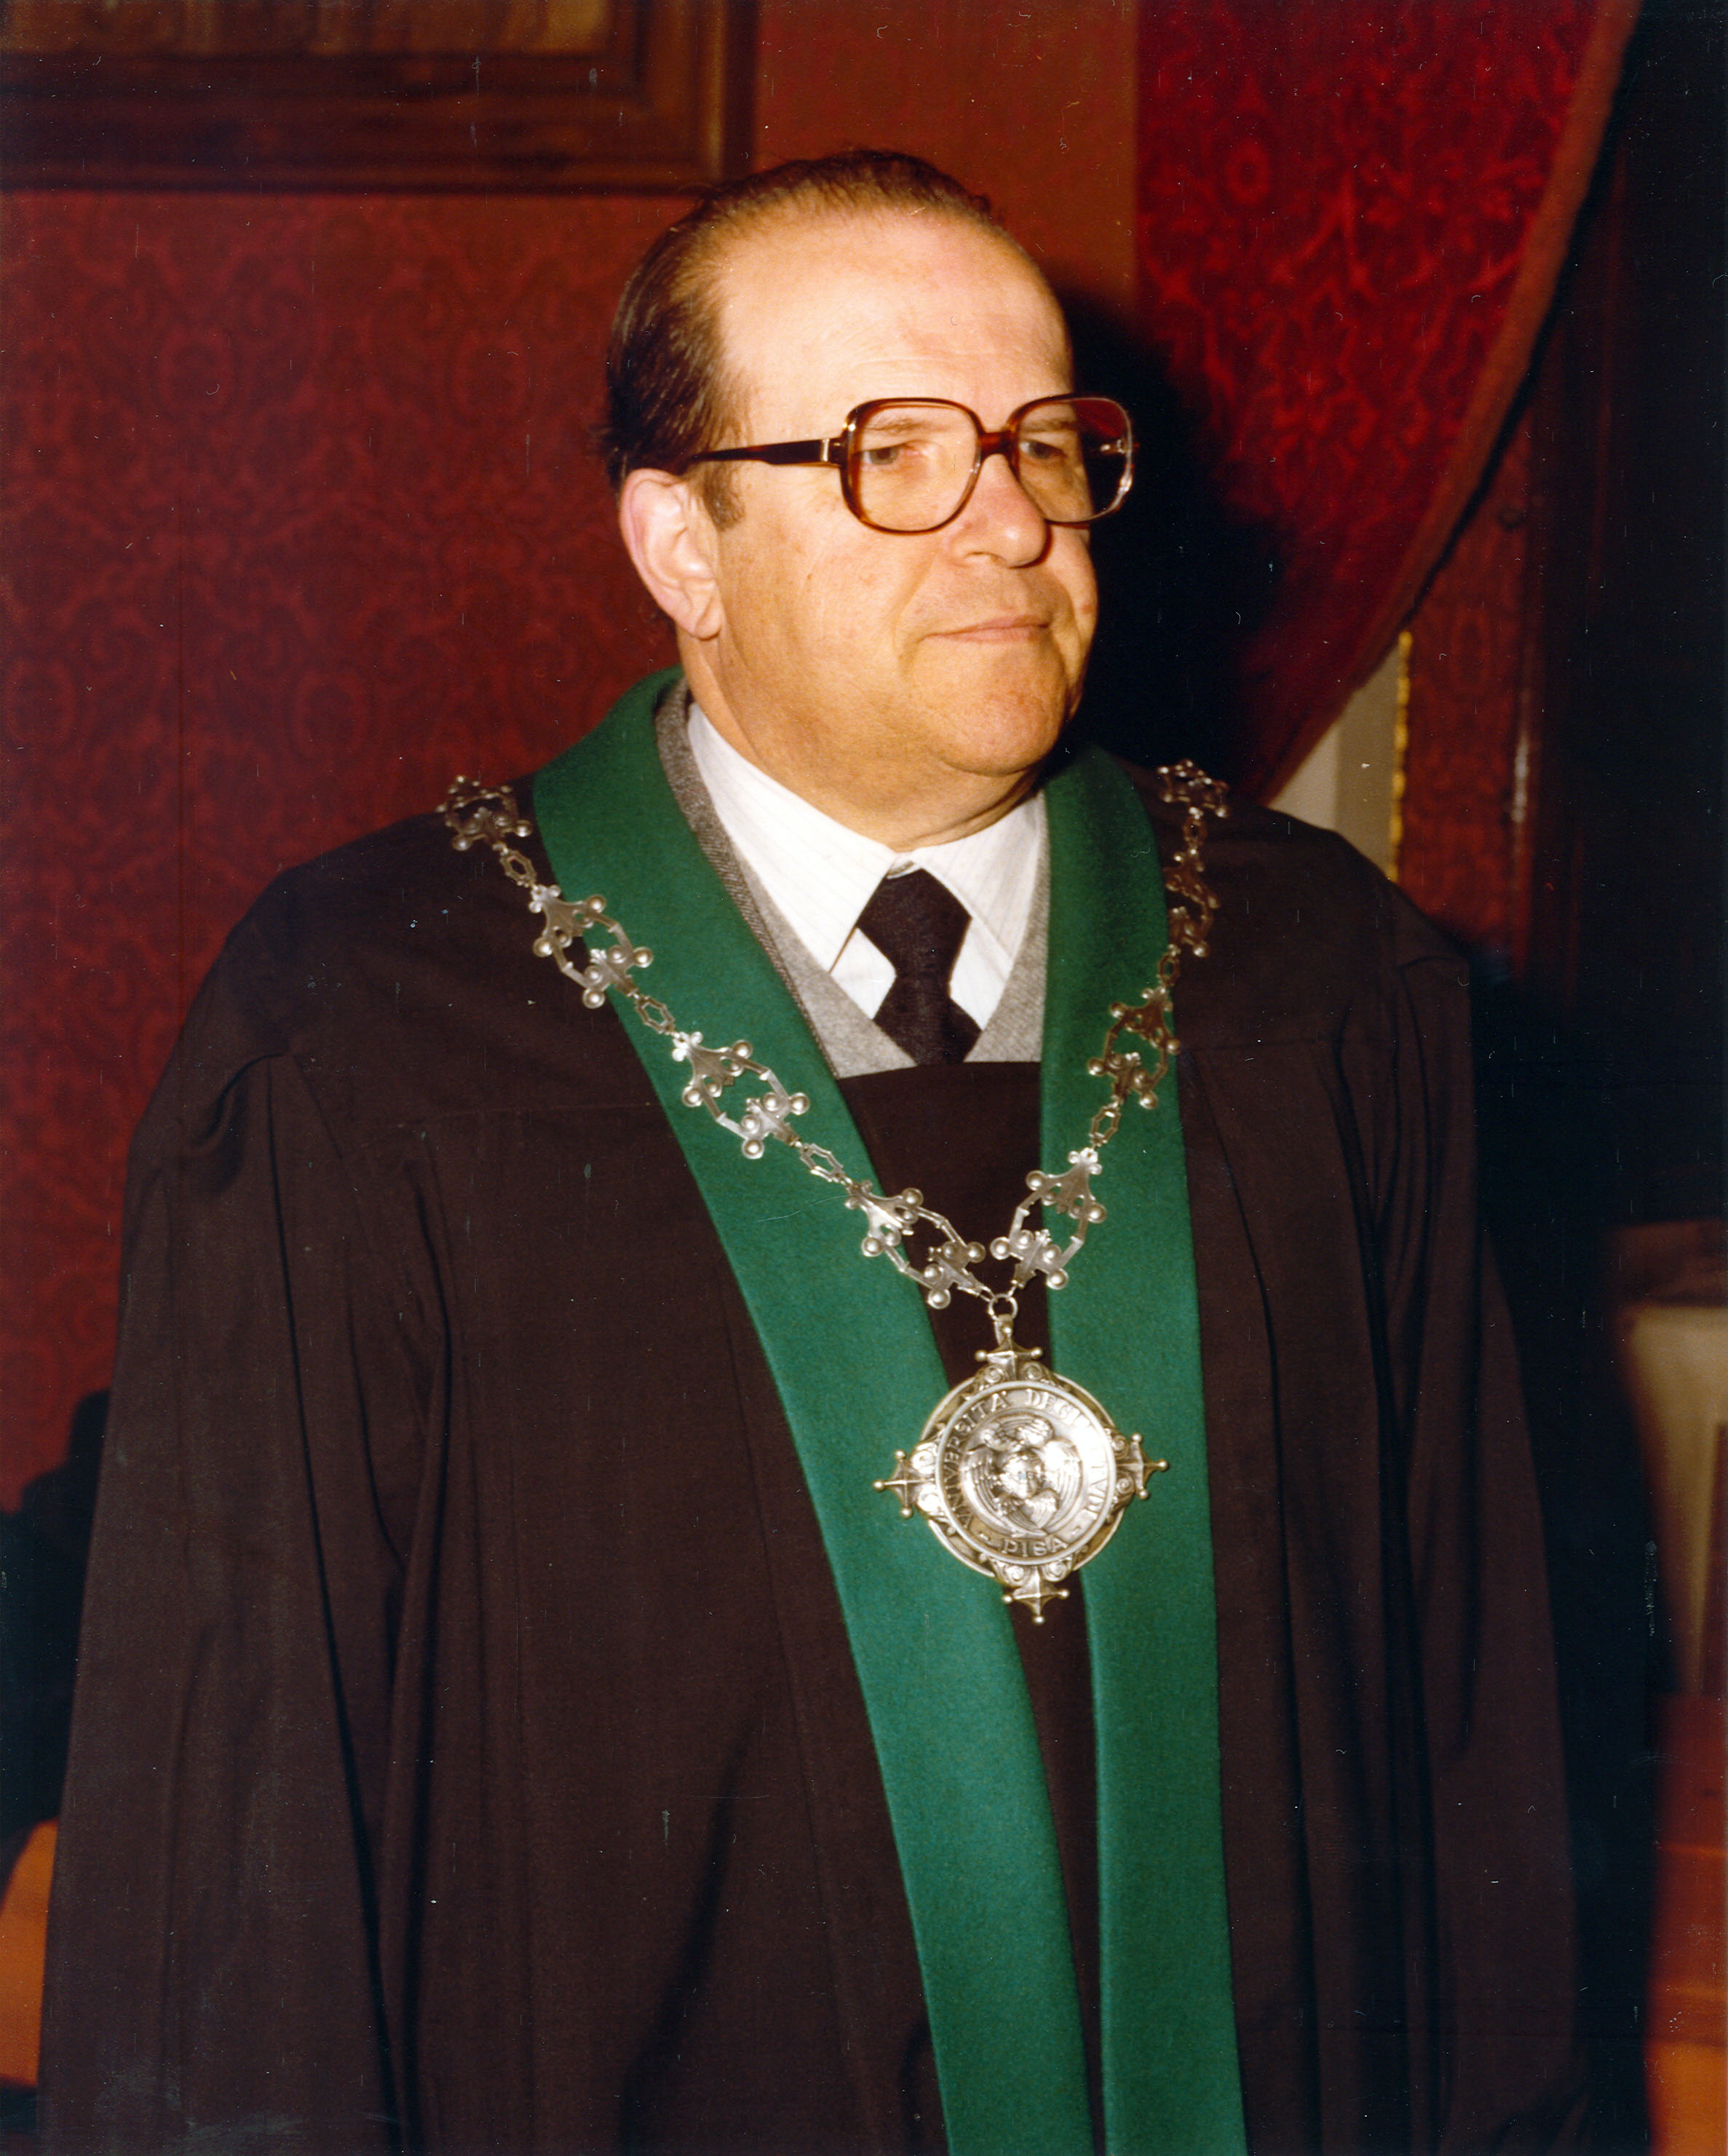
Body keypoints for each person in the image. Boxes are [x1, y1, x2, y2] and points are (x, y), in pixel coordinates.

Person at [42, 152, 1585, 2155]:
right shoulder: (367, 1038)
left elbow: (1470, 1740)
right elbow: (238, 1857)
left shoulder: (1328, 988)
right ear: (680, 541)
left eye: (1044, 444)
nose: (1012, 524)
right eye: (894, 455)